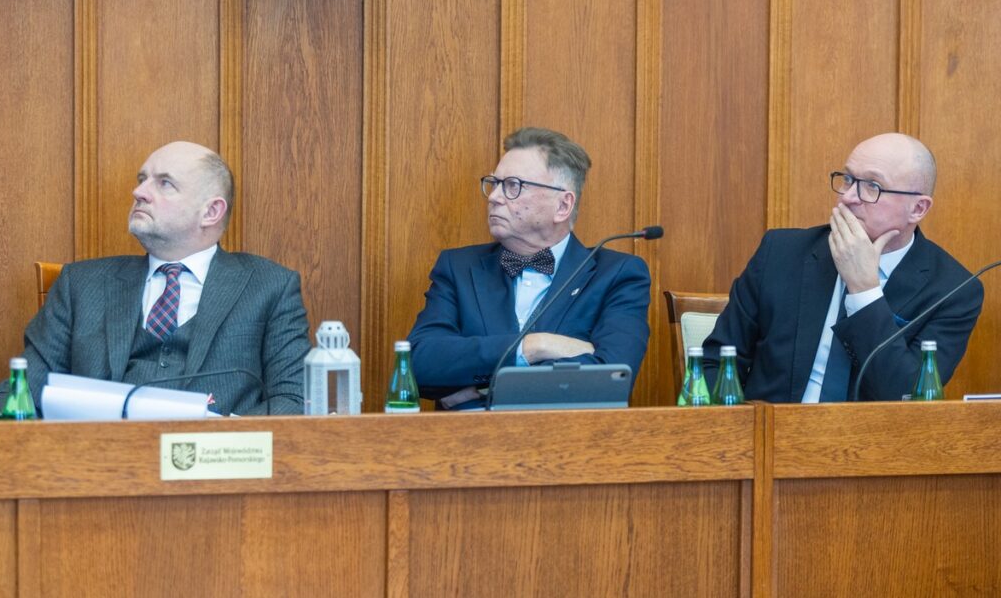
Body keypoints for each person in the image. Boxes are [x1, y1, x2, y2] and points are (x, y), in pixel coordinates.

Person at [0, 141, 311, 415]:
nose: (138, 192)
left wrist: (222, 446)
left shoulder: (269, 287)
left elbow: (293, 398)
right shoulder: (80, 284)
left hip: (215, 472)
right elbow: (20, 394)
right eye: (142, 179)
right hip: (96, 467)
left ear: (211, 212)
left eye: (164, 184)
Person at [704, 132, 983, 402]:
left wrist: (864, 291)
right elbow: (714, 363)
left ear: (918, 209)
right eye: (848, 179)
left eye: (872, 185)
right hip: (770, 437)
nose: (849, 197)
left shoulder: (954, 291)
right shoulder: (780, 253)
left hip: (872, 446)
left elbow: (904, 399)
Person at [408, 127, 651, 409]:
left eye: (513, 185)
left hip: (569, 445)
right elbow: (418, 363)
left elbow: (611, 378)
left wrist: (480, 391)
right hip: (469, 445)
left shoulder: (619, 275)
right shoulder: (458, 267)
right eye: (494, 183)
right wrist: (534, 346)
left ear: (562, 205)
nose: (494, 197)